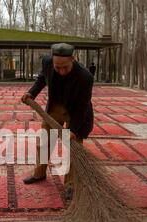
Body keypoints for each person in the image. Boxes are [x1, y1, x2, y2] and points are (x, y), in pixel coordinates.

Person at [21, 43, 94, 200]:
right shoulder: (47, 62)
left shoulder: (85, 77)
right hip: (54, 108)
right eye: (57, 67)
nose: (61, 71)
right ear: (52, 61)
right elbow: (42, 79)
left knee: (73, 149)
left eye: (65, 68)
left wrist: (73, 130)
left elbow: (82, 107)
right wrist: (31, 93)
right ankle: (39, 174)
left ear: (73, 60)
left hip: (75, 112)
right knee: (44, 141)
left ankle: (71, 185)